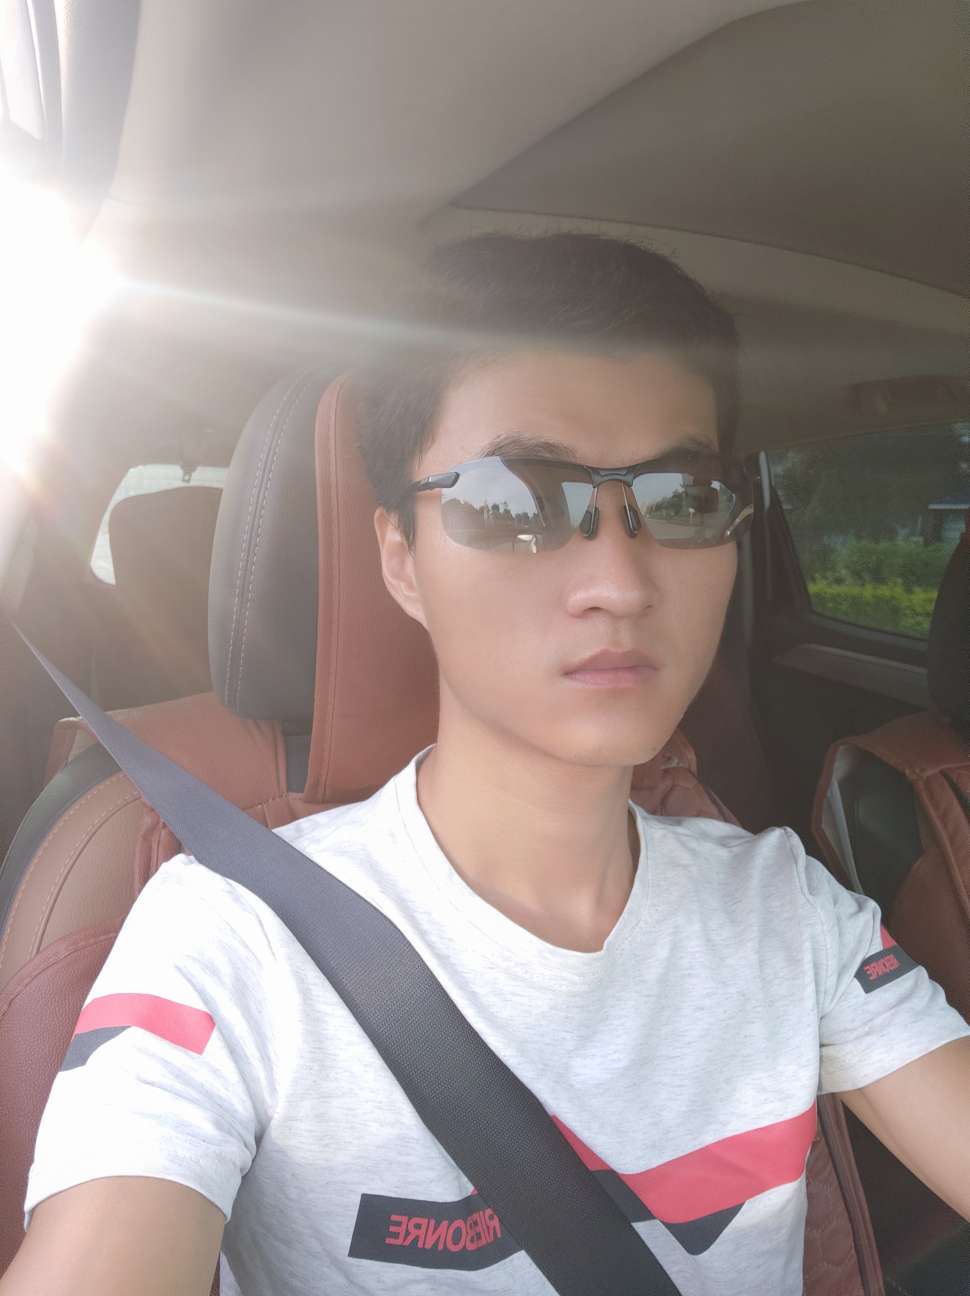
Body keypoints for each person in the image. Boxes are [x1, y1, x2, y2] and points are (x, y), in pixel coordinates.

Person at [3, 233, 968, 1296]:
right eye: (518, 502)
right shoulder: (228, 940)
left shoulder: (788, 910)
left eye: (682, 498)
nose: (620, 581)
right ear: (402, 562)